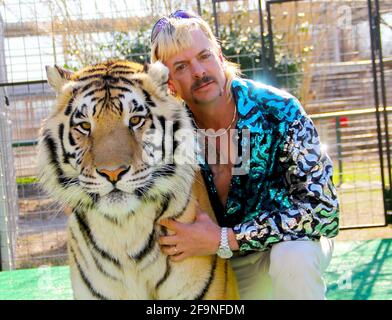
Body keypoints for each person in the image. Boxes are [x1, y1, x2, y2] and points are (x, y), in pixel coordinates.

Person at [150, 10, 339, 300]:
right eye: (182, 66)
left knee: (294, 257)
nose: (199, 71)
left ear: (220, 56)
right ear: (169, 83)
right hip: (214, 263)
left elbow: (324, 210)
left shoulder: (280, 110)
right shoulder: (167, 135)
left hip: (281, 249)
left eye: (204, 56)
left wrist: (227, 238)